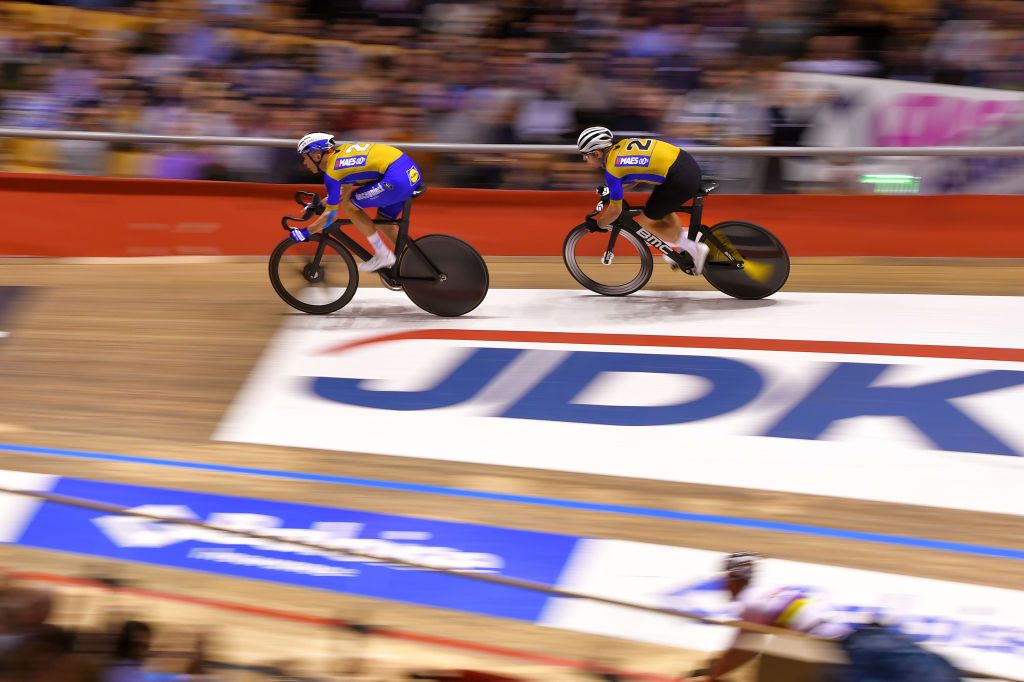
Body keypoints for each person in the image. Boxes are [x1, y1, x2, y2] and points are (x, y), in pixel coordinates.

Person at [684, 553, 962, 682]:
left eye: (724, 581)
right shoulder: (771, 592)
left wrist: (713, 676)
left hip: (841, 653)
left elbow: (741, 653)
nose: (722, 587)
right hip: (858, 637)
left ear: (732, 580)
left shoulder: (749, 603)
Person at [577, 126, 709, 275]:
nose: (584, 159)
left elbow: (615, 211)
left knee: (646, 222)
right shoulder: (622, 146)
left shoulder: (612, 170)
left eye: (585, 155)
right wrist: (610, 191)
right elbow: (634, 177)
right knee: (657, 210)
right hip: (684, 164)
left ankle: (694, 249)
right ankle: (685, 245)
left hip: (679, 178)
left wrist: (598, 224)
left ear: (597, 153)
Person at [292, 132, 424, 272]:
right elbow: (344, 190)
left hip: (396, 179)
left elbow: (331, 216)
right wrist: (321, 204)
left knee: (349, 205)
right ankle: (416, 262)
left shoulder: (332, 173)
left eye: (305, 157)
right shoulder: (340, 156)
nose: (304, 163)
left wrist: (306, 232)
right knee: (384, 221)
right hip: (407, 171)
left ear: (316, 155)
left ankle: (383, 254)